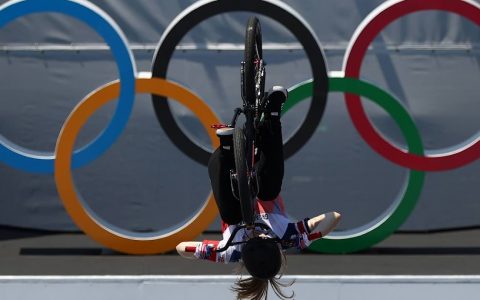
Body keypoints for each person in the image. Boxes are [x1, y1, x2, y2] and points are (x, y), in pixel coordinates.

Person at [176, 86, 341, 300]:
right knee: (270, 191)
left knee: (231, 216)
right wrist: (308, 237)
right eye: (265, 237)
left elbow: (181, 248)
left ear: (244, 254)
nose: (259, 234)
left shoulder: (230, 252)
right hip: (262, 180)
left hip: (230, 181)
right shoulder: (287, 237)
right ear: (275, 246)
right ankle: (272, 114)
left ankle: (226, 150)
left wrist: (208, 252)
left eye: (254, 239)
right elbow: (334, 217)